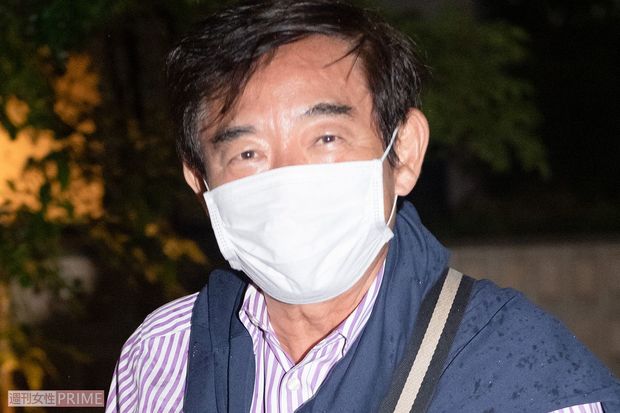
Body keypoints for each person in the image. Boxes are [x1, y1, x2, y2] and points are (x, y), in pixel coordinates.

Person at [105, 1, 620, 412]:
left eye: (326, 138)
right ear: (200, 182)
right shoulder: (162, 355)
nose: (288, 181)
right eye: (247, 153)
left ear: (404, 153)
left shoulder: (521, 373)